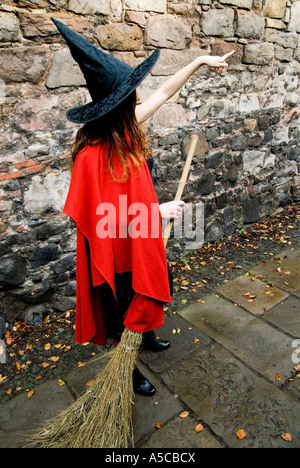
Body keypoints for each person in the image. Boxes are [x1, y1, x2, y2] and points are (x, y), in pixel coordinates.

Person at [52, 19, 234, 397]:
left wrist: (200, 61)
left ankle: (147, 334)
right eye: (130, 95)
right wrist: (156, 213)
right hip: (113, 252)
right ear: (114, 107)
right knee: (121, 309)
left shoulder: (126, 130)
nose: (137, 98)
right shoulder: (90, 157)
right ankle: (128, 367)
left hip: (141, 241)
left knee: (150, 286)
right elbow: (98, 223)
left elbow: (165, 91)